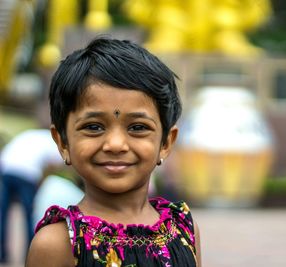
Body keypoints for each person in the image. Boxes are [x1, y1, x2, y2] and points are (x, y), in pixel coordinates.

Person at [26, 37, 202, 267]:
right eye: (94, 127)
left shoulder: (184, 230)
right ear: (63, 142)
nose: (116, 144)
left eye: (138, 127)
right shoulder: (56, 244)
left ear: (166, 143)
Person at [0, 128, 63, 263]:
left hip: (6, 167)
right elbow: (56, 164)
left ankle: (2, 254)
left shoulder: (31, 134)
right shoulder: (53, 141)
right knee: (30, 214)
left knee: (3, 213)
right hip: (27, 172)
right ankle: (30, 254)